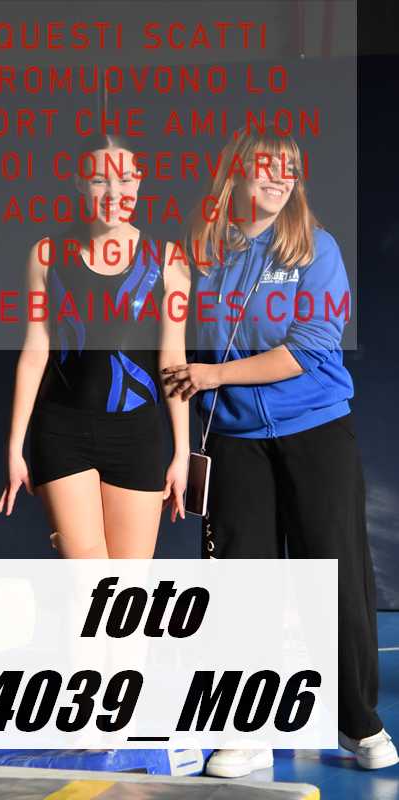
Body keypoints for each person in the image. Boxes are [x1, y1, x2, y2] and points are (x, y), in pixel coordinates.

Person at [162, 124, 398, 776]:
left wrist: (214, 375)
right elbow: (172, 346)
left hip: (314, 430)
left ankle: (357, 721)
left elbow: (309, 348)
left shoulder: (315, 248)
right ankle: (247, 727)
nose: (278, 178)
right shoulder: (199, 251)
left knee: (335, 577)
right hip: (234, 441)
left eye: (288, 167)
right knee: (241, 588)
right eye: (265, 166)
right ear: (235, 172)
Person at [0, 133, 190, 558]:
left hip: (136, 435)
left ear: (140, 181)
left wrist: (182, 453)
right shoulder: (47, 255)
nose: (114, 193)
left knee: (126, 588)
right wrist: (14, 447)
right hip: (62, 431)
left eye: (125, 179)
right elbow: (35, 352)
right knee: (88, 580)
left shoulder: (167, 260)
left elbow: (173, 360)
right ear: (80, 184)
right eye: (100, 180)